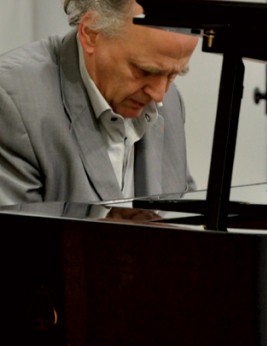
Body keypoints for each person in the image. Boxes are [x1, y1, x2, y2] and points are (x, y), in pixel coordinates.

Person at [0, 0, 199, 206]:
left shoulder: (171, 102)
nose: (159, 95)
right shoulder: (12, 101)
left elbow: (183, 219)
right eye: (145, 71)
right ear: (91, 33)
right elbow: (17, 235)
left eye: (173, 75)